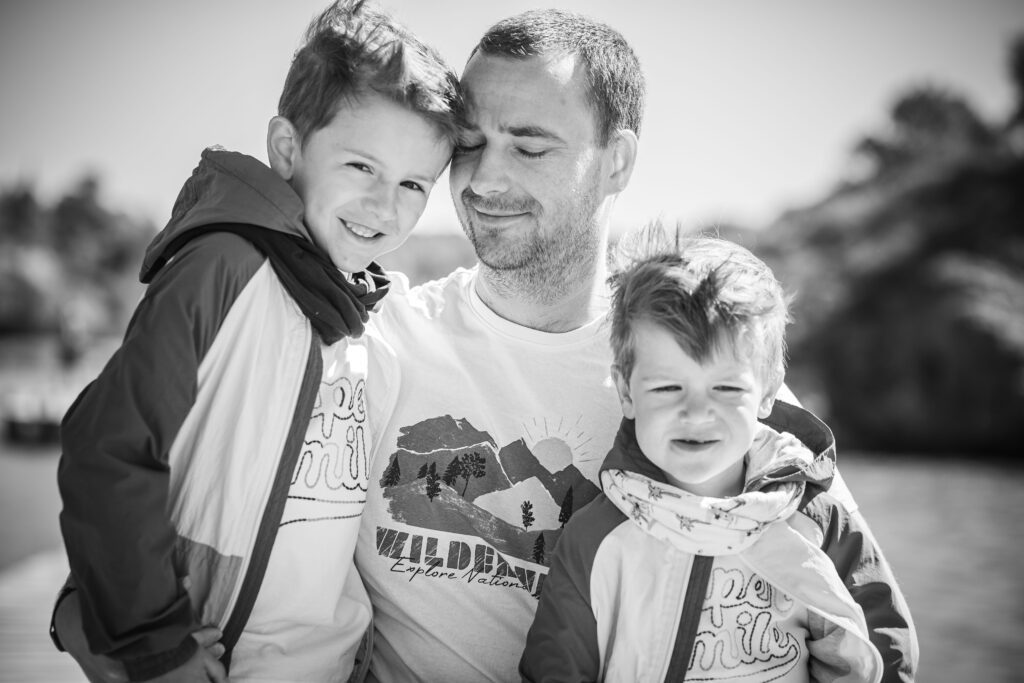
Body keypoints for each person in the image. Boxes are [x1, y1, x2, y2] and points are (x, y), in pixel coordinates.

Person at [50, 1, 461, 681]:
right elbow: (108, 449)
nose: (385, 206)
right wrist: (152, 641)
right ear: (288, 149)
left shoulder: (367, 321)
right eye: (361, 166)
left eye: (413, 184)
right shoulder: (223, 270)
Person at [519, 233, 918, 682]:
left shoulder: (816, 523)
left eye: (725, 388)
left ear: (767, 392)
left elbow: (883, 648)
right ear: (627, 392)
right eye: (669, 387)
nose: (696, 412)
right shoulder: (596, 540)